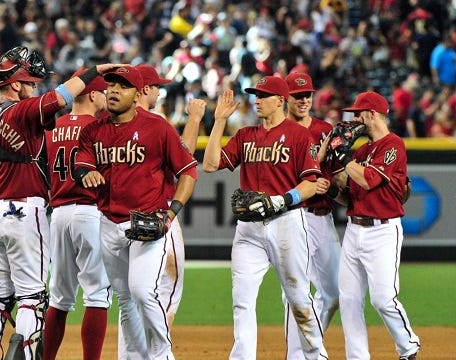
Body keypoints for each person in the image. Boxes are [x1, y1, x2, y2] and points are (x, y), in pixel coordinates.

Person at [0, 45, 119, 360]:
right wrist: (96, 70)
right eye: (31, 83)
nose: (35, 88)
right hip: (23, 210)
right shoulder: (22, 111)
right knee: (32, 297)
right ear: (15, 83)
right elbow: (63, 95)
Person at [73, 66, 199, 359]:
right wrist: (85, 173)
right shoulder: (94, 129)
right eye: (111, 85)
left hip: (147, 223)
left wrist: (171, 214)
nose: (114, 90)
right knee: (126, 298)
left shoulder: (157, 127)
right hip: (108, 223)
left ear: (136, 93)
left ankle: (162, 354)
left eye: (123, 86)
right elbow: (81, 162)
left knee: (143, 291)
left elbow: (188, 171)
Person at [203, 78, 328, 360]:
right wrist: (220, 121)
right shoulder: (246, 134)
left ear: (280, 100)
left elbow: (311, 183)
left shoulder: (298, 135)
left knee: (298, 298)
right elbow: (210, 164)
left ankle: (315, 355)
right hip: (248, 229)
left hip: (286, 222)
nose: (256, 100)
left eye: (263, 95)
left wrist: (281, 200)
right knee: (242, 301)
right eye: (256, 95)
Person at [111, 63, 206, 358]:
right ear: (145, 90)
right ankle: (160, 353)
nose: (158, 92)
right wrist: (194, 119)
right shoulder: (153, 120)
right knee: (164, 289)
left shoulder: (115, 122)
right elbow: (185, 159)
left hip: (119, 217)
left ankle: (133, 355)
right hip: (157, 211)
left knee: (129, 298)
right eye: (157, 87)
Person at [330, 91, 421, 360]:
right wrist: (332, 187)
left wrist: (344, 157)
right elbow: (349, 193)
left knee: (382, 300)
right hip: (354, 229)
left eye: (358, 113)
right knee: (348, 301)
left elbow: (369, 179)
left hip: (382, 231)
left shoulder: (393, 145)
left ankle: (408, 346)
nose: (355, 119)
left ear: (372, 114)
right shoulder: (362, 150)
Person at [43, 68, 111, 360]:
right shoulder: (100, 127)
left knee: (59, 297)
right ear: (93, 94)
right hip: (90, 212)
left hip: (58, 215)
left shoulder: (53, 127)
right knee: (97, 295)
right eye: (104, 92)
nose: (107, 96)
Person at [283, 72, 340, 360]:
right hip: (294, 216)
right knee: (295, 292)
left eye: (307, 95)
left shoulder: (324, 129)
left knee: (333, 294)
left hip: (322, 217)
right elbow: (279, 178)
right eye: (298, 95)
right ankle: (299, 355)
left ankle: (309, 347)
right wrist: (308, 181)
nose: (304, 100)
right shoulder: (279, 131)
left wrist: (329, 181)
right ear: (286, 99)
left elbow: (333, 174)